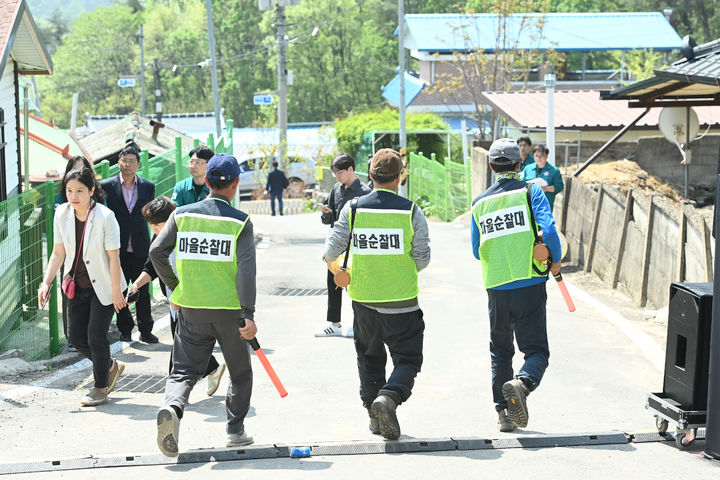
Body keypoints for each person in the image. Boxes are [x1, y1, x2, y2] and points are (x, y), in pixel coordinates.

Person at [149, 153, 258, 457]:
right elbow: (247, 272)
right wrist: (248, 314)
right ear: (235, 185)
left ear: (206, 181)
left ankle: (172, 406)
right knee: (239, 373)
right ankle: (235, 431)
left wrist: (176, 286)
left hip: (191, 307)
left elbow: (157, 251)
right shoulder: (240, 222)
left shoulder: (182, 214)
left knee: (183, 370)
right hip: (229, 312)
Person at [323, 148, 430, 440]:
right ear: (399, 178)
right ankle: (390, 397)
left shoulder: (353, 208)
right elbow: (422, 258)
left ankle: (374, 413)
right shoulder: (411, 211)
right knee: (407, 359)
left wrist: (347, 269)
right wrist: (398, 271)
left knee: (369, 359)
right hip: (403, 301)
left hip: (364, 300)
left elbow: (330, 251)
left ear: (370, 176)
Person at [470, 138, 562, 433]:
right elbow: (548, 229)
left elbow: (476, 249)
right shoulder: (531, 191)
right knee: (536, 351)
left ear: (490, 165)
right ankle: (522, 383)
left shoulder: (479, 203)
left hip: (496, 285)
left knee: (500, 351)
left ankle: (503, 415)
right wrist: (555, 259)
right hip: (530, 281)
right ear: (520, 164)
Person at [38, 168, 127, 406]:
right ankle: (108, 366)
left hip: (105, 285)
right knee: (75, 337)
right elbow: (58, 252)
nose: (73, 195)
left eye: (79, 190)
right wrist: (46, 282)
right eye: (69, 190)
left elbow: (114, 258)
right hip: (76, 284)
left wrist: (117, 291)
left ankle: (100, 388)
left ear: (92, 191)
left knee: (95, 336)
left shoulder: (106, 217)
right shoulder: (61, 214)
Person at [128, 197, 226, 396]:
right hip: (175, 302)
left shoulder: (189, 236)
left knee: (181, 352)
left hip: (191, 299)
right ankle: (212, 368)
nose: (154, 230)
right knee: (184, 345)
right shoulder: (160, 238)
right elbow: (151, 267)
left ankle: (175, 395)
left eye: (157, 225)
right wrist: (136, 285)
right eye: (151, 226)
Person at [100, 145, 157, 343]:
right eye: (124, 161)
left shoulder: (148, 187)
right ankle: (124, 330)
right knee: (120, 289)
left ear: (138, 164)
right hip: (117, 246)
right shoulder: (106, 186)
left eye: (132, 161)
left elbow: (150, 214)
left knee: (142, 289)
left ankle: (146, 329)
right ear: (118, 162)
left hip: (141, 245)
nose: (127, 165)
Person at [316, 153, 372, 338]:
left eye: (340, 172)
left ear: (350, 169)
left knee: (358, 284)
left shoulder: (364, 192)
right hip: (337, 244)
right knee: (333, 282)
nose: (338, 176)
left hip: (356, 246)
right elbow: (330, 219)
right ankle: (334, 323)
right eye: (335, 173)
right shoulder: (336, 189)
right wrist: (326, 214)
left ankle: (360, 324)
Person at [54, 156, 94, 352]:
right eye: (74, 170)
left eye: (83, 170)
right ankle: (72, 336)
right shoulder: (62, 201)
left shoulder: (98, 201)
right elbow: (57, 249)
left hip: (92, 258)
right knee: (69, 292)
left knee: (90, 296)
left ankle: (87, 335)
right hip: (70, 256)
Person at [520, 144, 564, 210]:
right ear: (533, 156)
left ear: (546, 156)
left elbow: (560, 186)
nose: (539, 158)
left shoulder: (554, 170)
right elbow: (520, 183)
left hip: (545, 206)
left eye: (542, 156)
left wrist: (546, 189)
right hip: (529, 205)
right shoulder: (527, 169)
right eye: (537, 156)